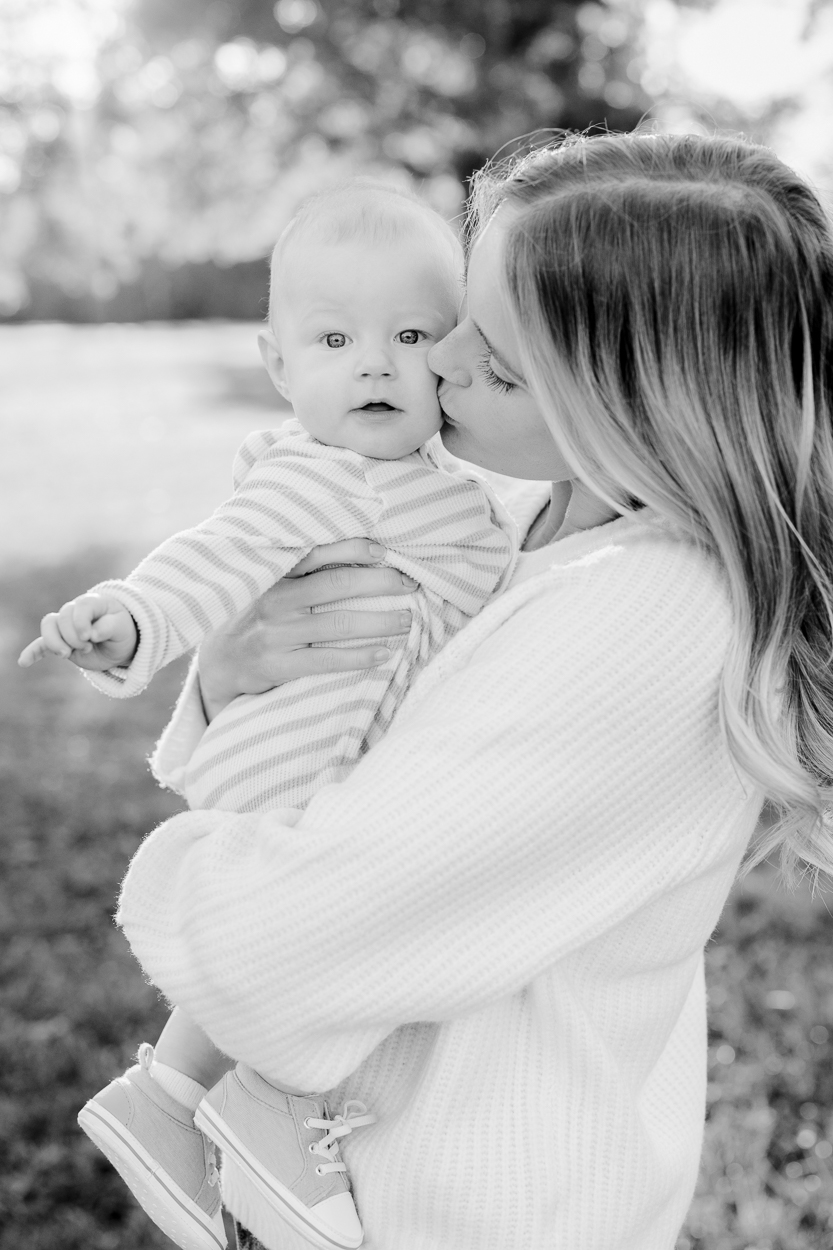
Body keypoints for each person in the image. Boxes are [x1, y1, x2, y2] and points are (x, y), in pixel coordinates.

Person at [111, 130, 833, 1250]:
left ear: (629, 407)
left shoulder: (644, 618)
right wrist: (229, 680)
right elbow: (344, 758)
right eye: (452, 317)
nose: (433, 364)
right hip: (358, 1173)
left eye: (492, 359)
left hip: (467, 1205)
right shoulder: (508, 531)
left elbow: (281, 942)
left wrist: (200, 883)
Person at [18, 184, 517, 1250]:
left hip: (330, 754)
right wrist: (136, 615)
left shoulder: (429, 479)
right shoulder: (325, 476)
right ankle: (275, 1102)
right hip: (304, 756)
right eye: (334, 338)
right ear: (279, 365)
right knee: (330, 928)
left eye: (410, 333)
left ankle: (168, 1097)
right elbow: (217, 553)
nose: (375, 363)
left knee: (324, 924)